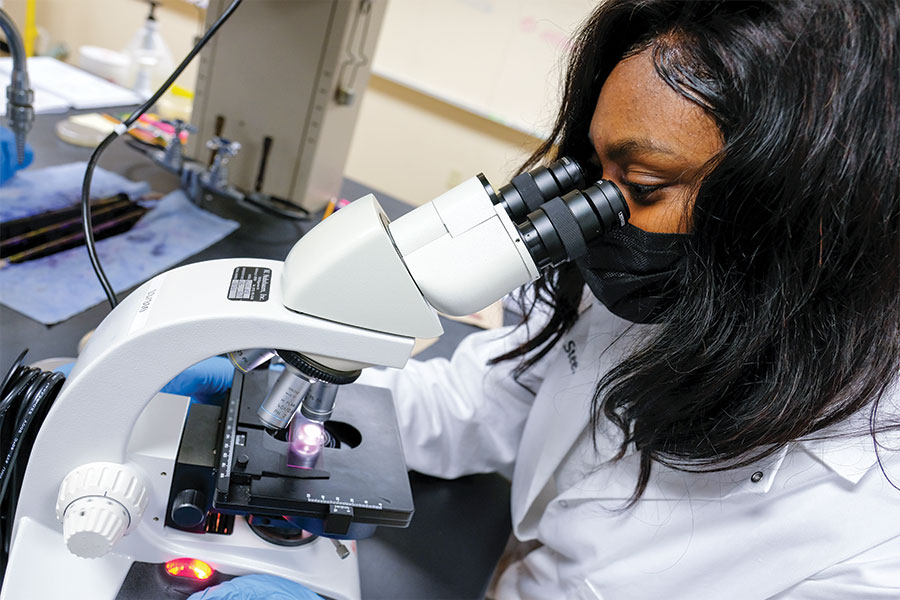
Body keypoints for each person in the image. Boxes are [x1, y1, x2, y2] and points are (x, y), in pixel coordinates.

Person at [191, 0, 900, 598]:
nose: (597, 216)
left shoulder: (870, 546)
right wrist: (267, 397)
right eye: (591, 172)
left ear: (811, 215)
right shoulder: (642, 300)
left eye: (645, 186)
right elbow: (484, 403)